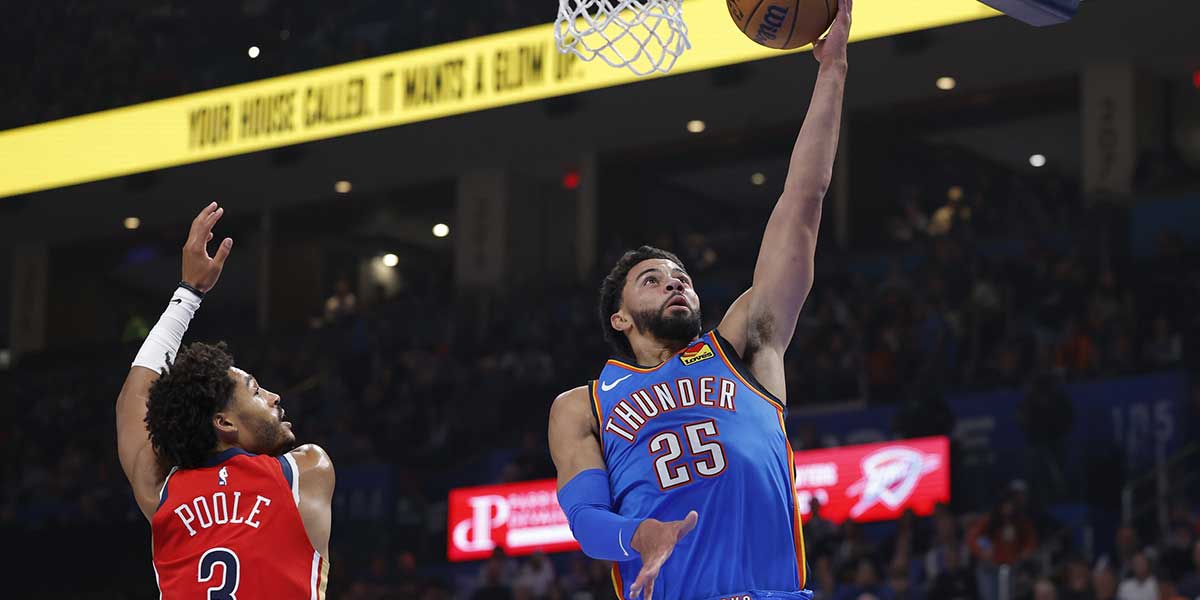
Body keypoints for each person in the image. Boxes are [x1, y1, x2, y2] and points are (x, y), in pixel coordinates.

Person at [546, 0, 853, 597]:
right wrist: (639, 536)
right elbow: (585, 522)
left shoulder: (745, 346)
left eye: (680, 275)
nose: (676, 283)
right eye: (653, 280)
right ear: (620, 316)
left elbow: (802, 201)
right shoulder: (582, 405)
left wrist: (833, 68)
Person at [115, 203, 335, 597]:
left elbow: (135, 396)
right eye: (254, 390)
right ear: (225, 422)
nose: (274, 397)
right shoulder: (306, 471)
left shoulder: (162, 490)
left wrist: (188, 294)